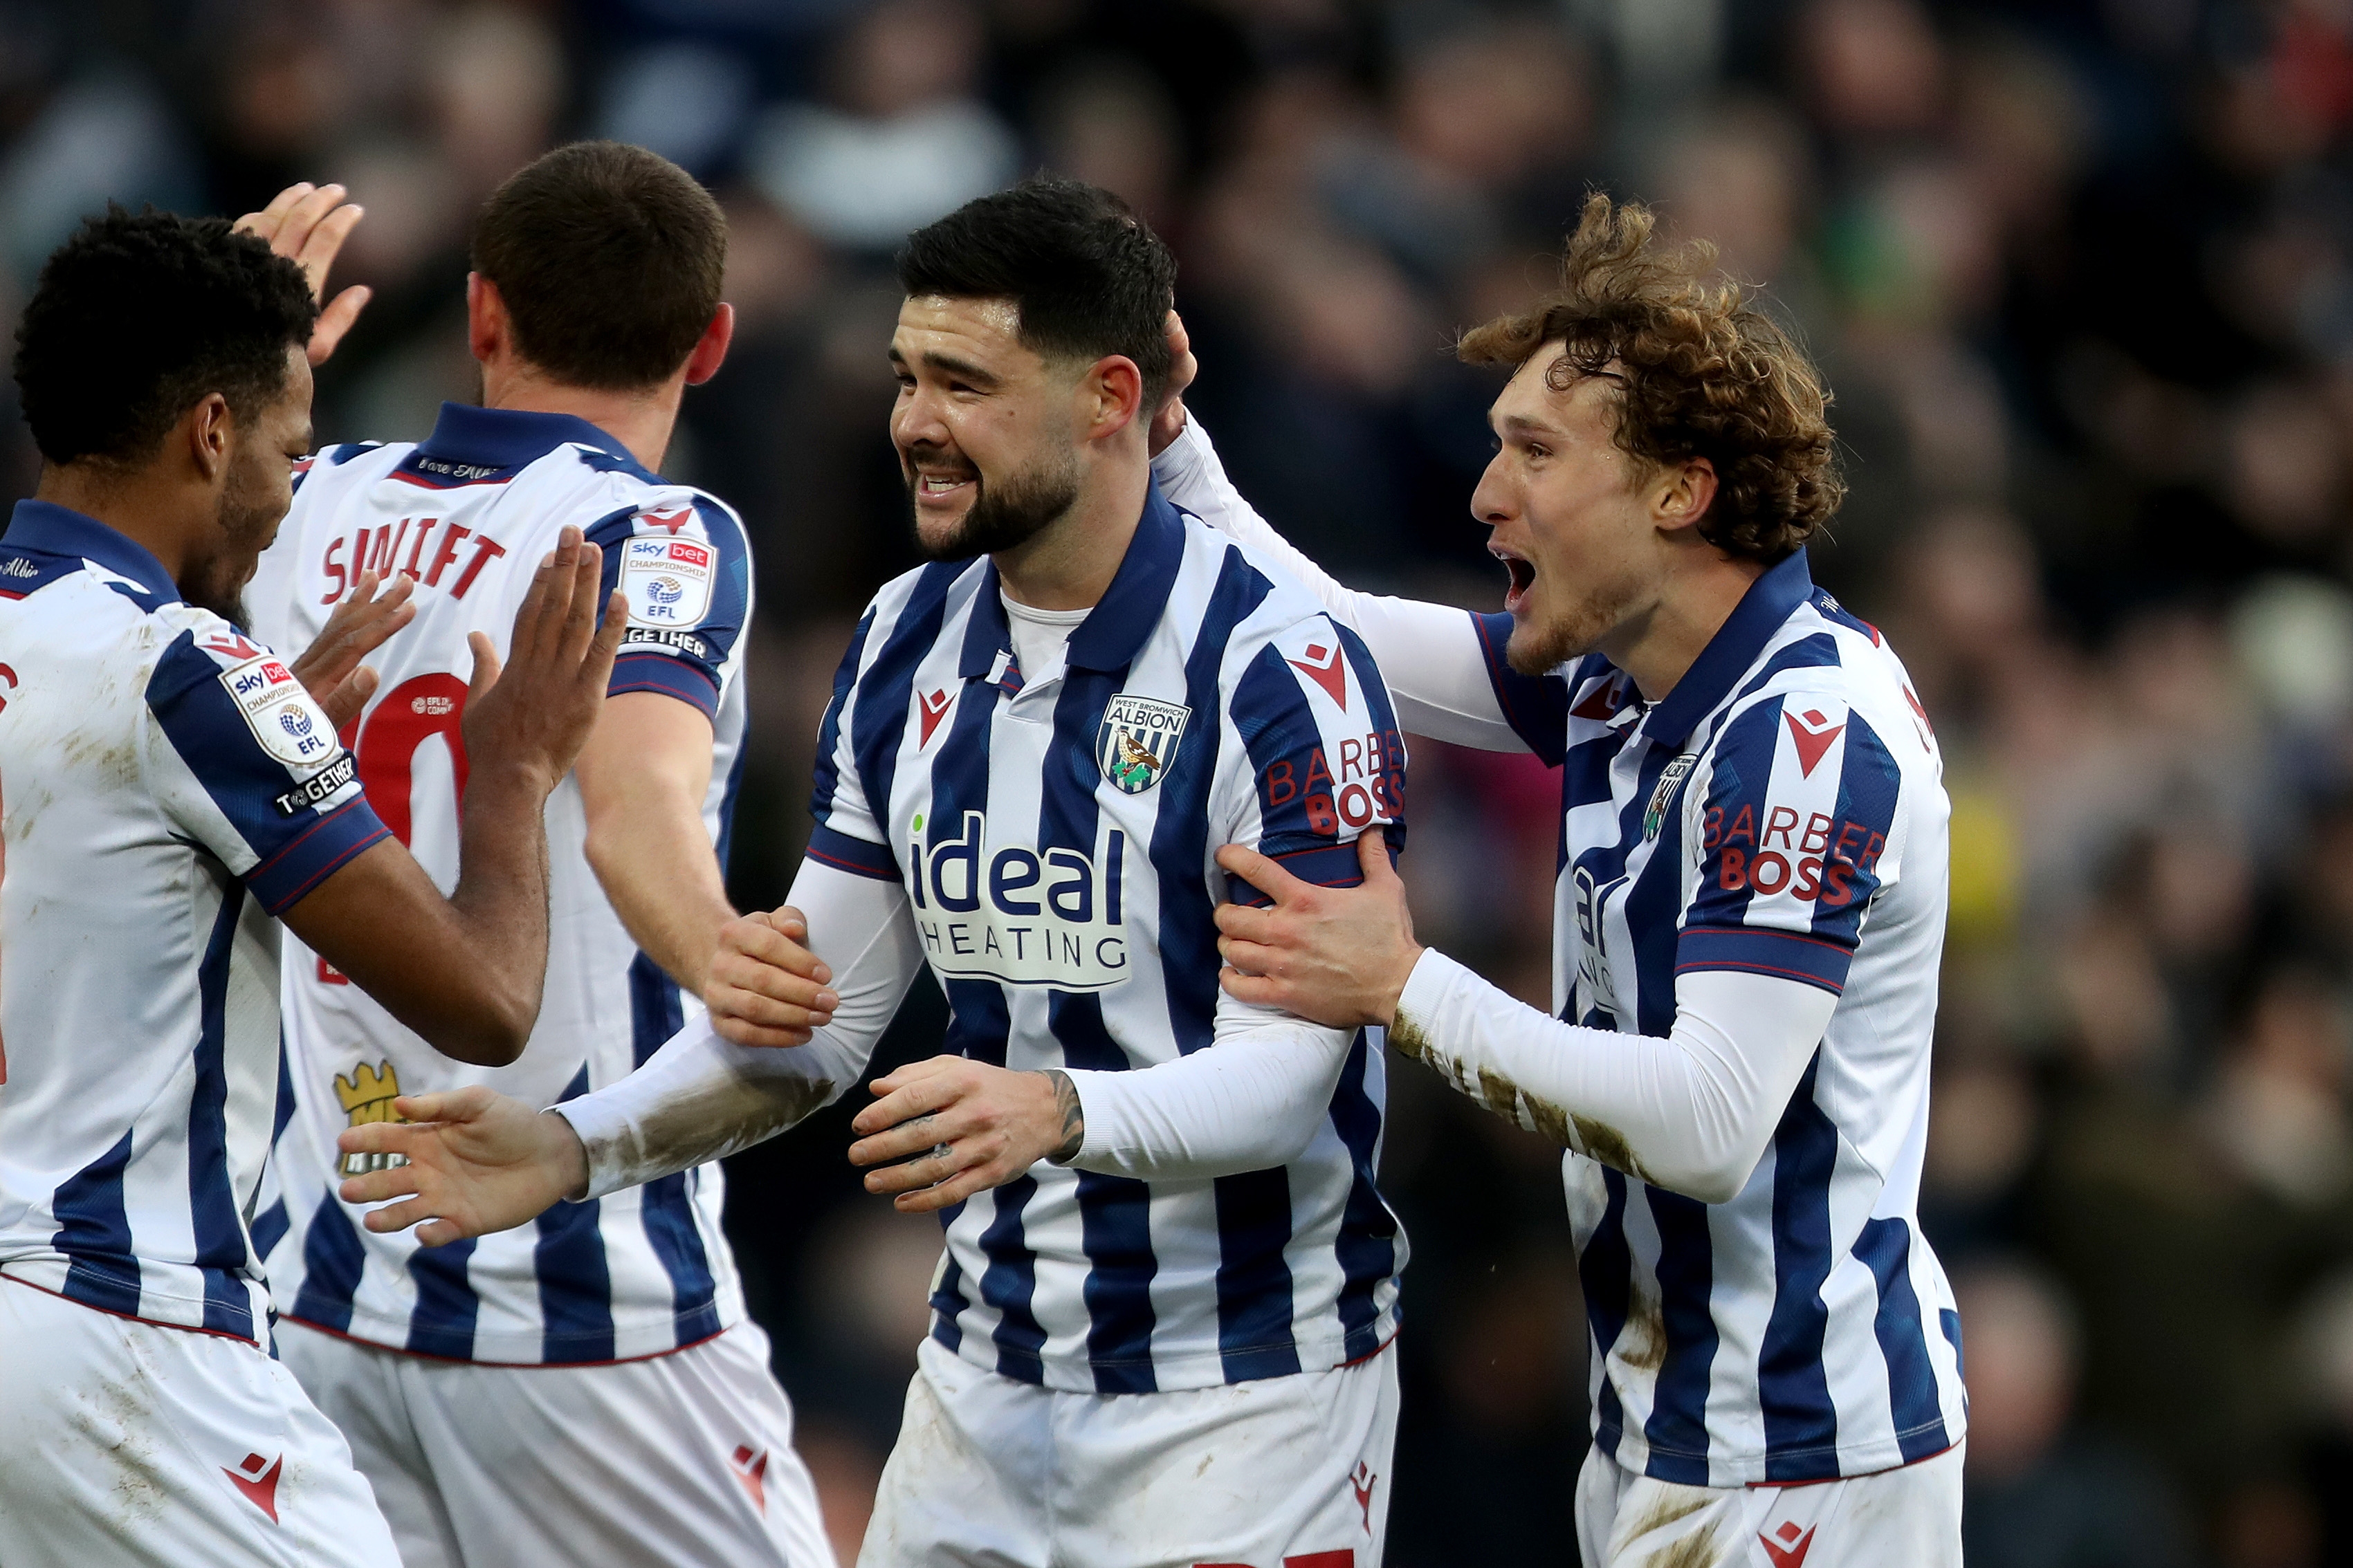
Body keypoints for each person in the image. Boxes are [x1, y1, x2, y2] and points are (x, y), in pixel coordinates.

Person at [340, 178, 1412, 1568]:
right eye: (909, 377)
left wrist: (1057, 1108)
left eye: (964, 384)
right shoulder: (907, 638)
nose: (914, 422)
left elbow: (1294, 1079)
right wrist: (575, 1146)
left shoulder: (1278, 669)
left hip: (1247, 1397)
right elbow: (819, 1022)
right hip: (981, 1381)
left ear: (1106, 398)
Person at [1151, 196, 1966, 1565]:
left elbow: (1712, 1122)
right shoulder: (1627, 690)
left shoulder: (1802, 738)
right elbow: (1323, 628)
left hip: (1805, 1462)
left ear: (1676, 490)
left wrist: (1404, 987)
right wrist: (1171, 452)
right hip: (1674, 1427)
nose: (1486, 496)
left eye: (1533, 451)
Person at [232, 147, 834, 1568]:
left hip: (317, 1297)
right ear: (713, 341)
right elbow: (637, 805)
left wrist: (221, 359)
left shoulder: (302, 496)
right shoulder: (656, 532)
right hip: (591, 1316)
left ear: (481, 315)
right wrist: (724, 959)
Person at [0, 208, 622, 1565]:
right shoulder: (187, 673)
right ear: (210, 434)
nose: (292, 497)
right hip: (130, 1331)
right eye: (289, 449)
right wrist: (510, 775)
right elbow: (486, 1003)